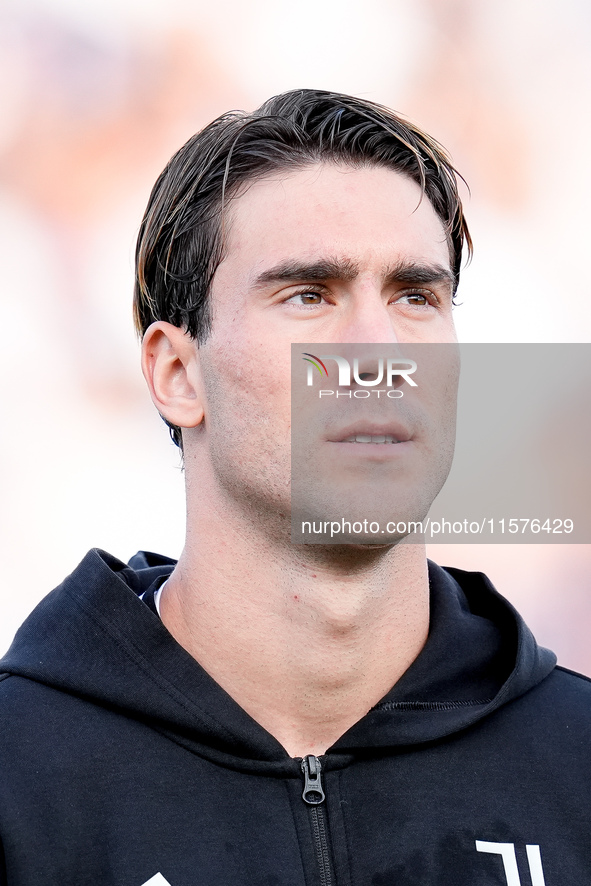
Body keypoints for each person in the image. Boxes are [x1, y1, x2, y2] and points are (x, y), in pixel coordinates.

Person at [0, 89, 589, 886]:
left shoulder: (574, 763)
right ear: (178, 374)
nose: (378, 349)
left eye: (415, 296)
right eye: (309, 294)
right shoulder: (22, 772)